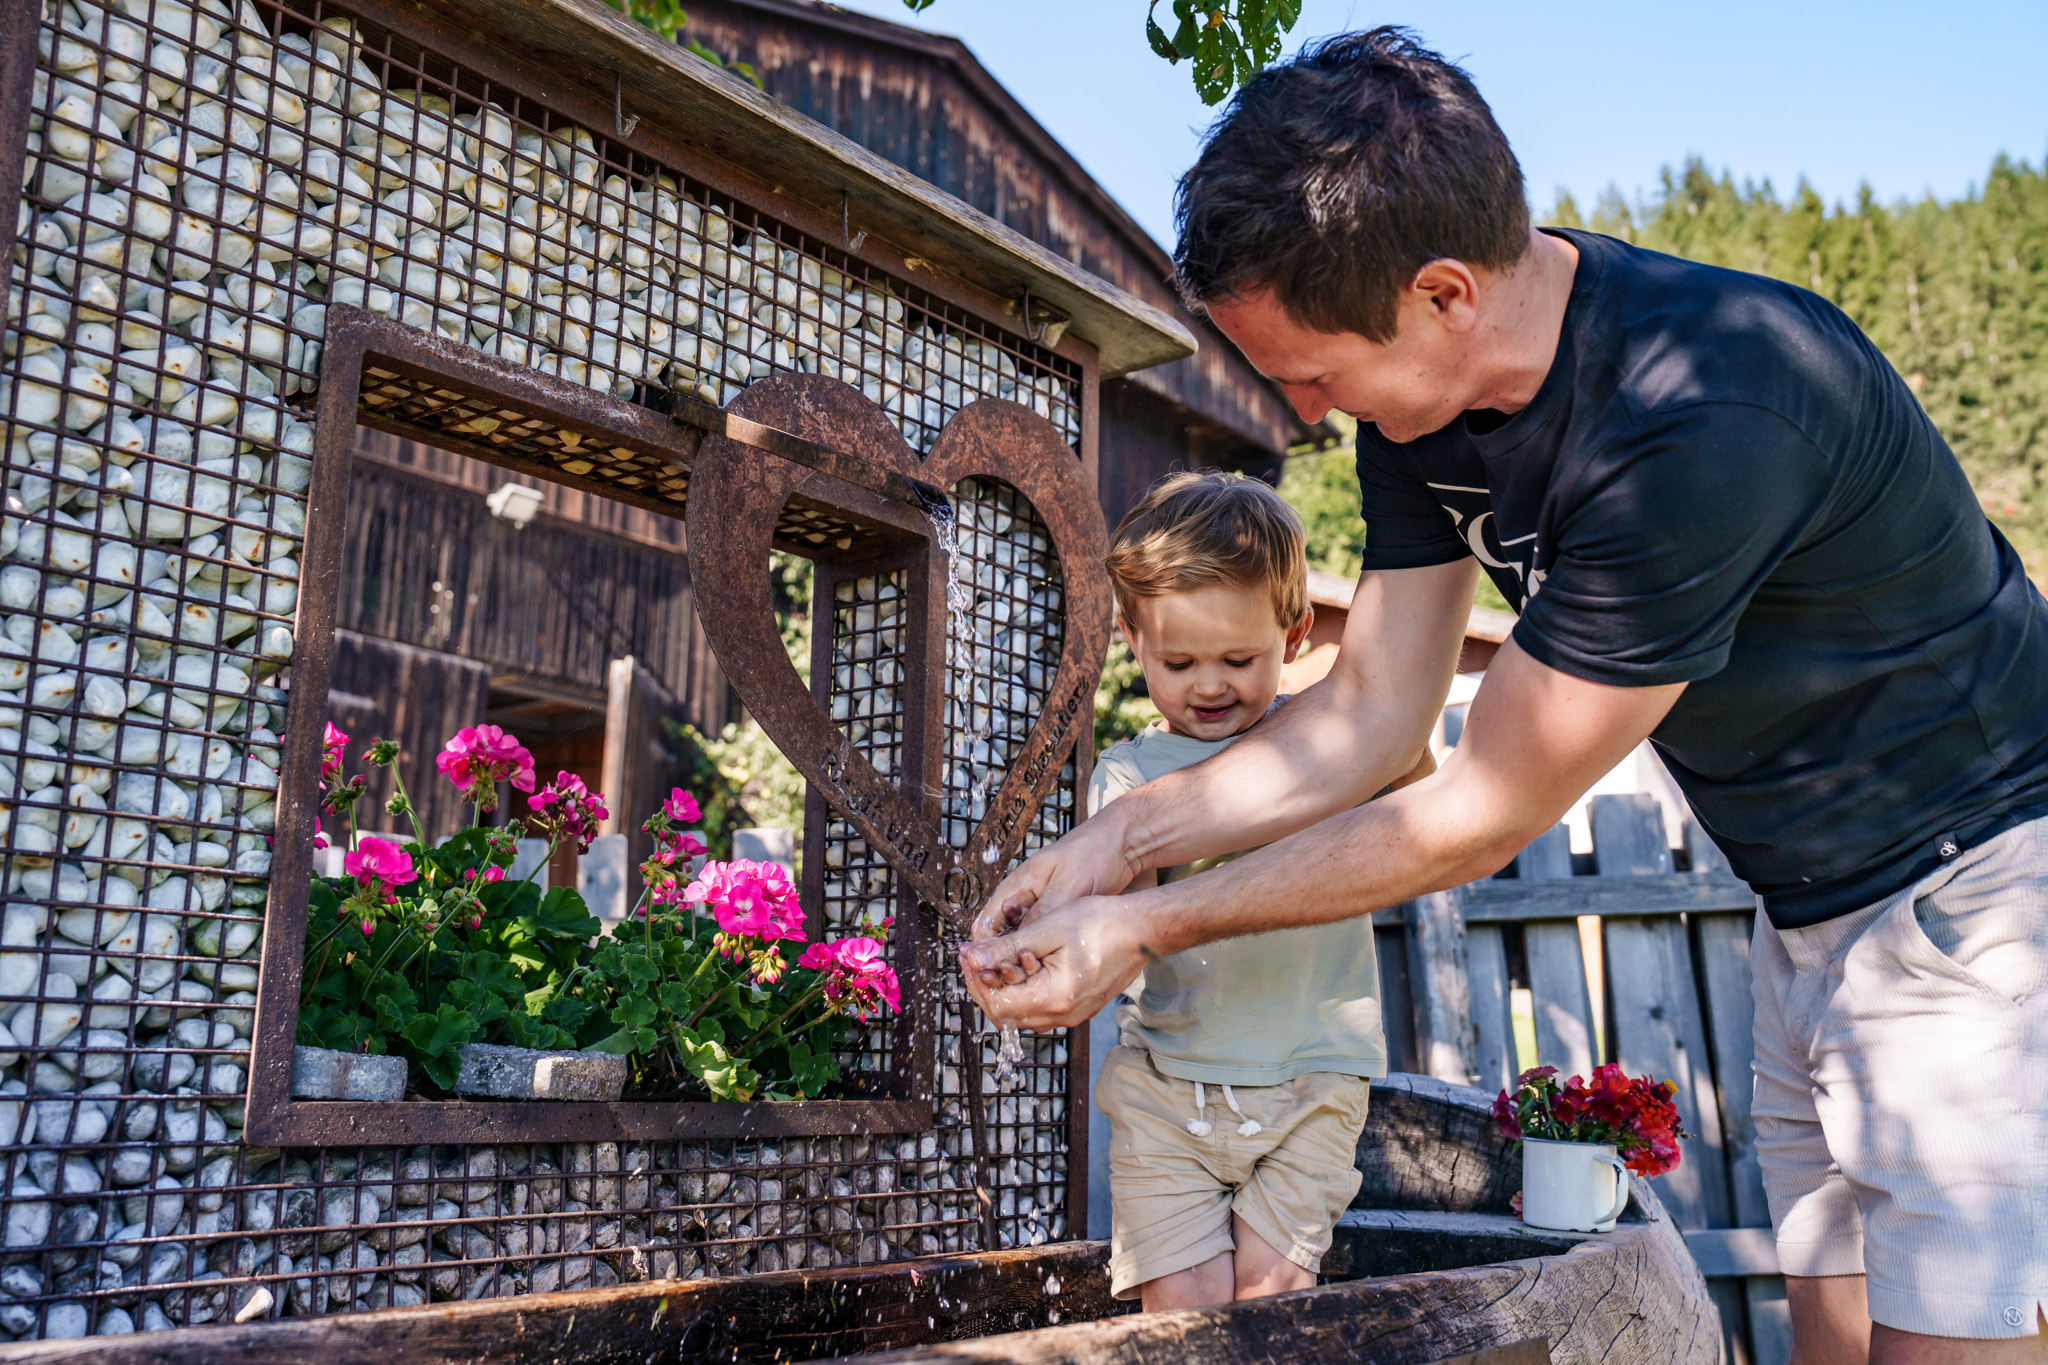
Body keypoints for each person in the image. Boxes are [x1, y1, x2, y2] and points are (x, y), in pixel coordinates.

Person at [960, 27, 2048, 1365]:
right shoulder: (1420, 413)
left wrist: (1144, 923)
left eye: (1310, 372)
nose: (1304, 407)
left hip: (1980, 902)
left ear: (1442, 295)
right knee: (1830, 1334)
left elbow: (1476, 807)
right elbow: (1372, 714)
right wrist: (1117, 841)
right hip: (1806, 910)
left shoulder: (1702, 414)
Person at [1082, 470, 1426, 1312]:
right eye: (1179, 662)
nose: (1209, 684)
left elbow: (1423, 788)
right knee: (1185, 1316)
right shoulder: (1129, 780)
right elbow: (1118, 925)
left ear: (1295, 633)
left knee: (1274, 1305)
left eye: (1239, 659)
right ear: (1132, 639)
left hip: (1313, 1080)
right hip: (1168, 1088)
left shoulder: (1328, 749)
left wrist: (1381, 714)